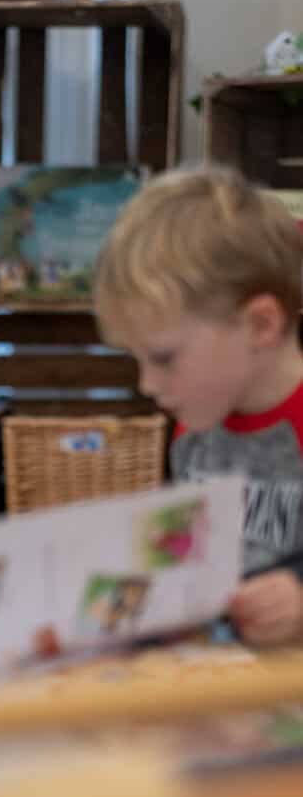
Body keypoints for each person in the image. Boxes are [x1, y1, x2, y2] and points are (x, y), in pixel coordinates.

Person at [94, 164, 303, 647]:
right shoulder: (196, 422)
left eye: (164, 358)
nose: (148, 383)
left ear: (259, 326)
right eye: (139, 359)